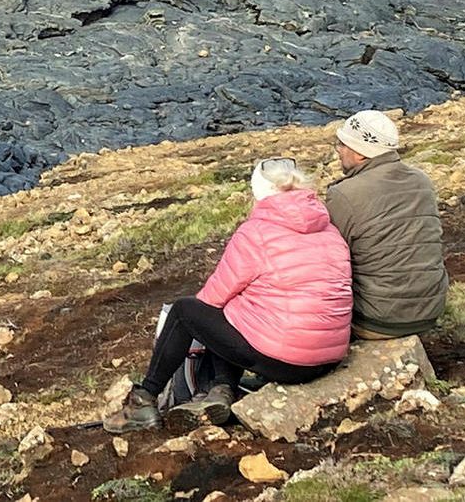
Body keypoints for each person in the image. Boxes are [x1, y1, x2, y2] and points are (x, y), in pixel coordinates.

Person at [104, 158, 353, 434]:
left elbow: (212, 299)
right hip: (330, 356)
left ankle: (145, 399)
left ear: (258, 195)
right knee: (238, 309)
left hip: (287, 361)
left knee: (186, 312)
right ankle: (222, 389)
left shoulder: (255, 233)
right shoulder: (329, 229)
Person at [326, 110, 449, 339]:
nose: (339, 151)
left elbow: (330, 262)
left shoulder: (344, 193)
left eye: (342, 145)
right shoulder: (421, 180)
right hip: (429, 312)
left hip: (377, 320)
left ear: (361, 154)